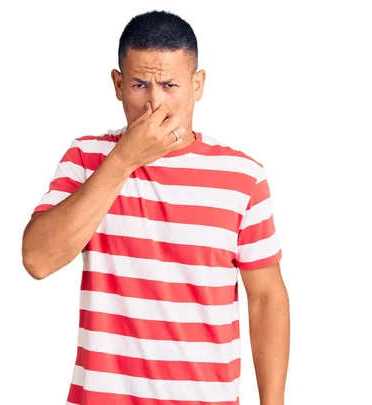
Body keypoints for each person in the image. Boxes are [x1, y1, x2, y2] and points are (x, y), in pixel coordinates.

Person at [22, 10, 290, 405]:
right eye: (139, 84)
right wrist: (124, 160)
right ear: (117, 84)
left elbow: (266, 297)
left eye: (169, 84)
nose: (154, 102)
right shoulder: (85, 157)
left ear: (197, 85)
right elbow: (37, 260)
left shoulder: (242, 176)